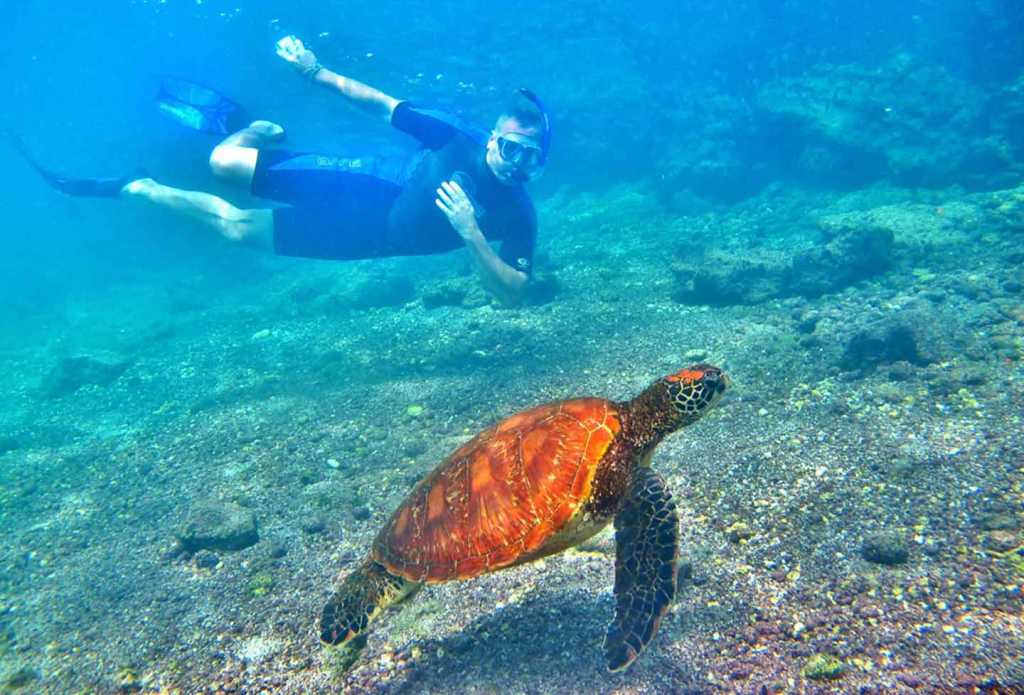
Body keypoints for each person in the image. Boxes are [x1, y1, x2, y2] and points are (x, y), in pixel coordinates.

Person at [19, 36, 550, 305]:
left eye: (532, 156)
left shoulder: (517, 213)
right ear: (494, 137)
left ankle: (139, 187)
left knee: (233, 229)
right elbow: (379, 103)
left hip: (364, 239)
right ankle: (254, 127)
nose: (517, 165)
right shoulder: (454, 133)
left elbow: (513, 294)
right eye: (511, 149)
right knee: (222, 163)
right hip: (363, 181)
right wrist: (315, 72)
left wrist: (472, 236)